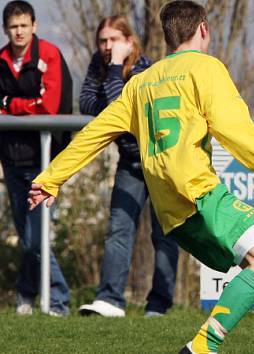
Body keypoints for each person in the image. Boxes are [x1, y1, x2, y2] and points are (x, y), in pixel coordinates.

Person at [28, 1, 254, 353]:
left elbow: (94, 133)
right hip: (199, 192)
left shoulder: (140, 83)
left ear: (167, 35)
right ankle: (204, 344)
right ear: (203, 28)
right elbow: (234, 130)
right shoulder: (206, 69)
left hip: (170, 211)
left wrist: (51, 178)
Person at [77, 15, 179, 318]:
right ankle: (110, 300)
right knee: (119, 229)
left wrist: (112, 81)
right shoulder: (101, 63)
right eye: (103, 41)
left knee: (165, 235)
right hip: (130, 162)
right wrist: (109, 79)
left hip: (160, 161)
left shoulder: (144, 69)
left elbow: (118, 107)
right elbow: (86, 102)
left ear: (129, 41)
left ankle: (158, 306)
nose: (107, 47)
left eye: (114, 40)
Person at [0, 0, 72, 317]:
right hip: (11, 160)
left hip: (44, 160)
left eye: (23, 25)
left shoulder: (50, 55)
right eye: (13, 26)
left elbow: (49, 107)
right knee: (27, 238)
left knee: (35, 238)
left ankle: (58, 301)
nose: (19, 32)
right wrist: (26, 103)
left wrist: (9, 104)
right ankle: (27, 295)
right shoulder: (0, 60)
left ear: (34, 26)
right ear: (6, 30)